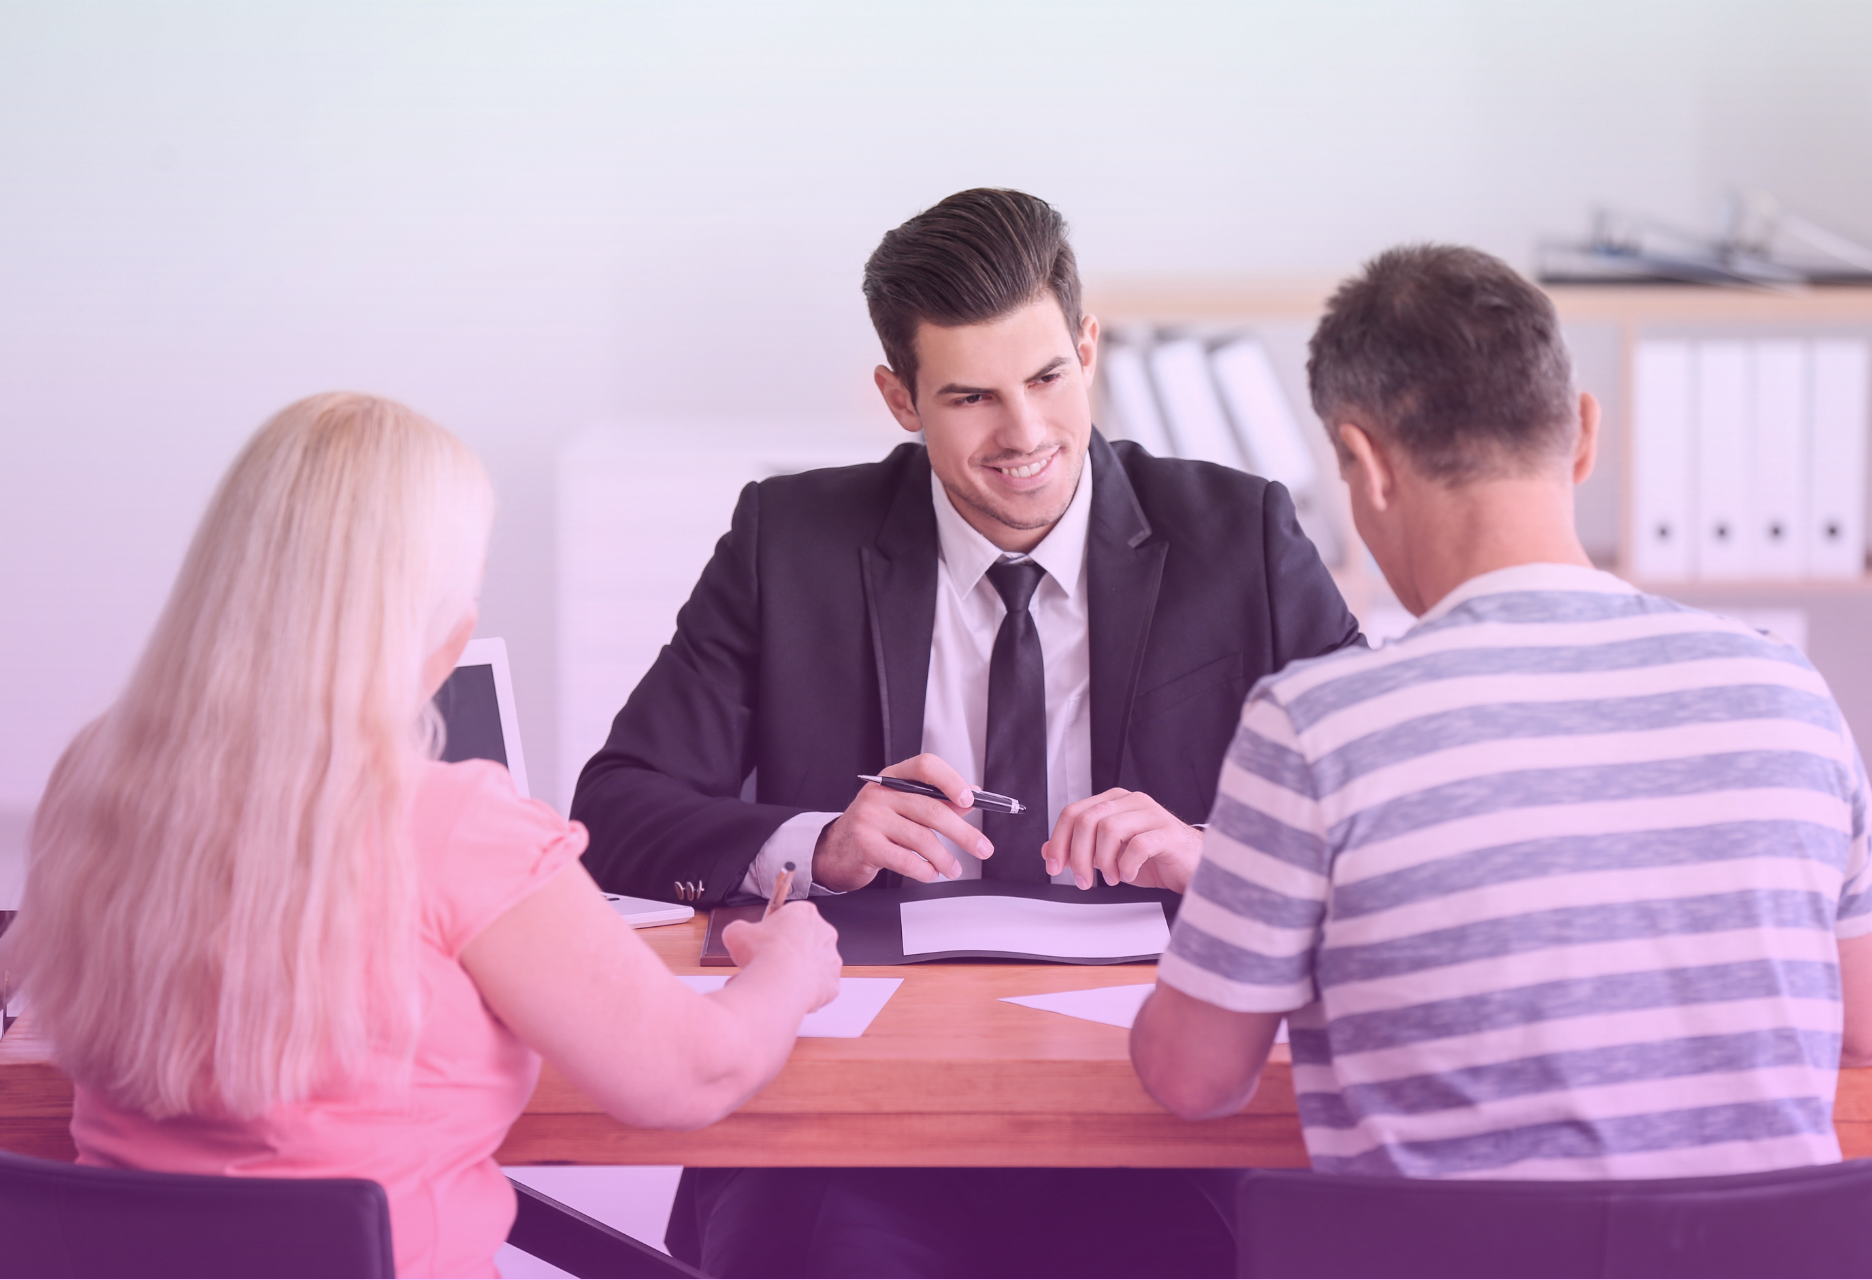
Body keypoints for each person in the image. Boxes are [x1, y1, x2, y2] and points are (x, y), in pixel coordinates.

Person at [570, 189, 1360, 1275]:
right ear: (900, 398)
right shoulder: (786, 540)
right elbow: (614, 805)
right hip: (852, 1126)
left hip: (1161, 1126)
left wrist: (1216, 857)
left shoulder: (1244, 537)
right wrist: (818, 843)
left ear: (1088, 346)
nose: (1025, 434)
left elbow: (1382, 824)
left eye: (1047, 377)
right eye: (972, 397)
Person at [2, 393, 842, 1279]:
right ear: (446, 644)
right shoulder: (457, 824)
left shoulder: (95, 770)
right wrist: (790, 962)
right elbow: (691, 1076)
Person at [1132, 244, 1872, 1180]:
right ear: (1583, 433)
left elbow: (1193, 1079)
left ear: (1364, 465)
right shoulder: (1788, 694)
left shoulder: (1316, 726)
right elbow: (1863, 1027)